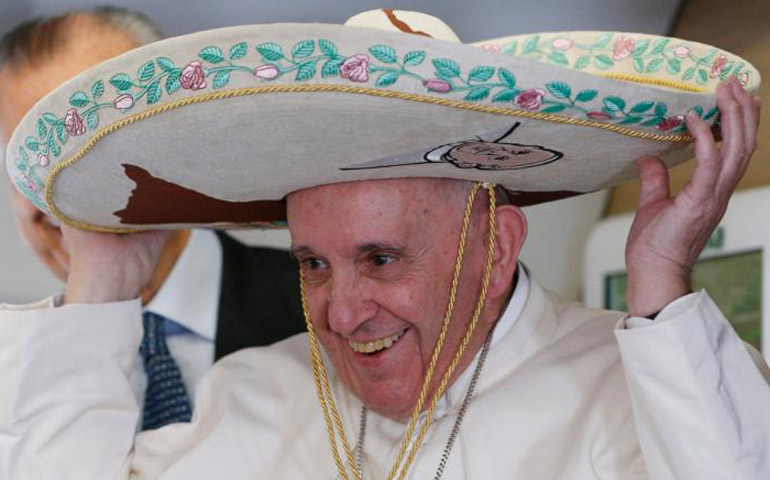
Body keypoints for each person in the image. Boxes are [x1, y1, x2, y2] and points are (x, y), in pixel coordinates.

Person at [1, 9, 768, 480]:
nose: (342, 311)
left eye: (380, 258)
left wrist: (663, 285)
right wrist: (101, 283)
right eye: (313, 264)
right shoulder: (252, 397)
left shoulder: (635, 384)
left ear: (495, 245)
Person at [0, 8, 305, 430]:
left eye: (95, 147)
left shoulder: (320, 313)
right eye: (28, 163)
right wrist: (97, 298)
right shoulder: (17, 376)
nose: (60, 198)